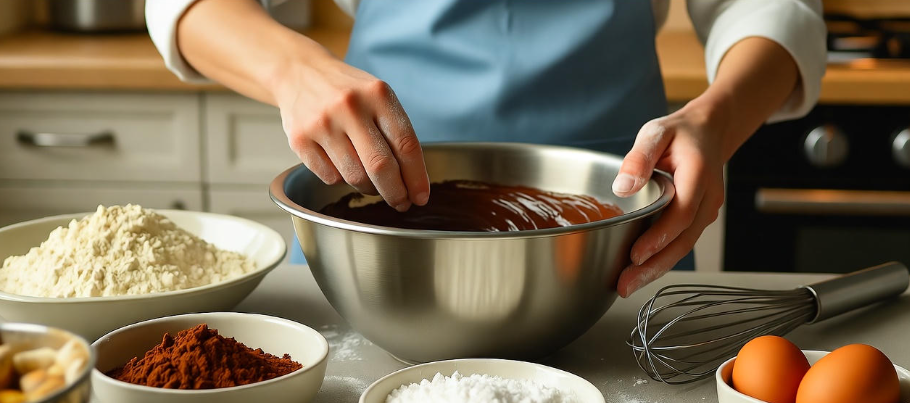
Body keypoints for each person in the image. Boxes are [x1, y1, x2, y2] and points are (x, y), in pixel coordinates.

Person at [147, 0, 826, 298]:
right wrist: (290, 69)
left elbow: (770, 6)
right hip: (371, 220)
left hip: (618, 231)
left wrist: (719, 116)